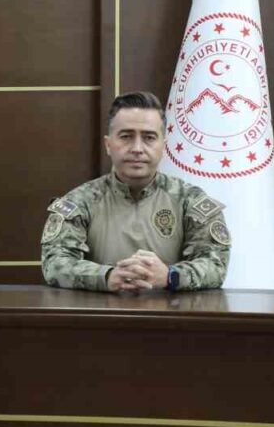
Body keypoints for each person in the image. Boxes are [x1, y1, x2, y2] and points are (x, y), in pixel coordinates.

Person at [41, 91, 229, 293]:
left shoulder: (190, 200)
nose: (137, 148)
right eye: (126, 137)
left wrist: (170, 276)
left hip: (171, 311)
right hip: (100, 311)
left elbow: (216, 265)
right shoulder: (80, 201)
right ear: (108, 145)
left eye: (149, 137)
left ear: (163, 146)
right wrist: (107, 276)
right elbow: (54, 264)